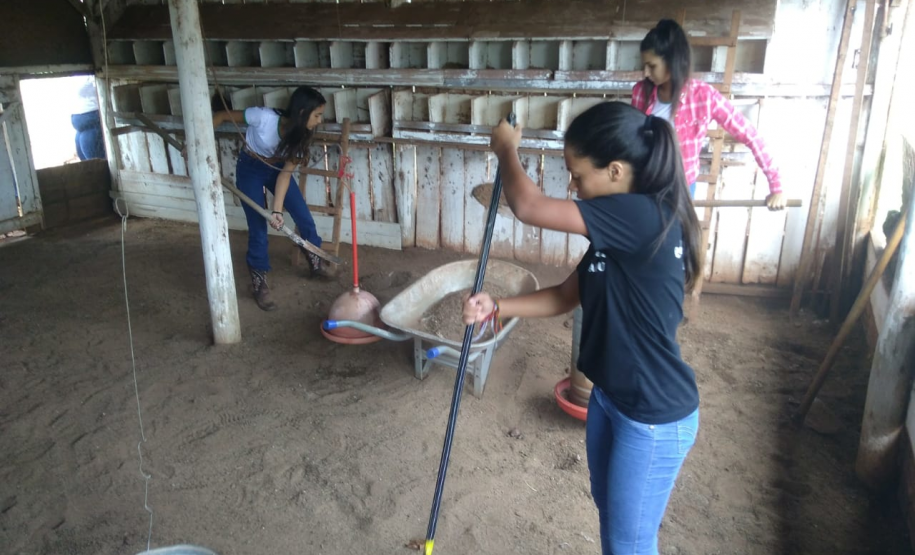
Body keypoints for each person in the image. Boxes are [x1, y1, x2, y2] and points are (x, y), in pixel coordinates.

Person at [463, 102, 701, 555]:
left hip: (652, 413)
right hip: (612, 398)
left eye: (578, 175)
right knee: (613, 526)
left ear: (615, 171)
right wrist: (498, 306)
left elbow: (528, 206)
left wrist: (506, 150)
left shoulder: (640, 215)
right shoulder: (617, 229)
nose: (572, 185)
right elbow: (566, 295)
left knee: (630, 545)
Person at [633, 19, 786, 210]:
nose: (646, 73)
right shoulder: (641, 92)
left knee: (676, 240)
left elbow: (750, 135)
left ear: (672, 61)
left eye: (652, 65)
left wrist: (776, 186)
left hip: (681, 189)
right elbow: (631, 140)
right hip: (645, 186)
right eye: (644, 66)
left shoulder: (704, 97)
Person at [212, 86, 331, 311]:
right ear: (303, 112)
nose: (319, 120)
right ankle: (259, 282)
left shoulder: (302, 136)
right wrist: (196, 143)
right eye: (317, 115)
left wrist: (277, 211)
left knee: (303, 215)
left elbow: (285, 174)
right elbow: (221, 116)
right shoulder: (263, 117)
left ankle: (315, 259)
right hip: (251, 168)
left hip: (277, 169)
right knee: (258, 226)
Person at [71, 76, 106, 161]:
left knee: (96, 165)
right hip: (83, 119)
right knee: (89, 166)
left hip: (92, 114)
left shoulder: (91, 75)